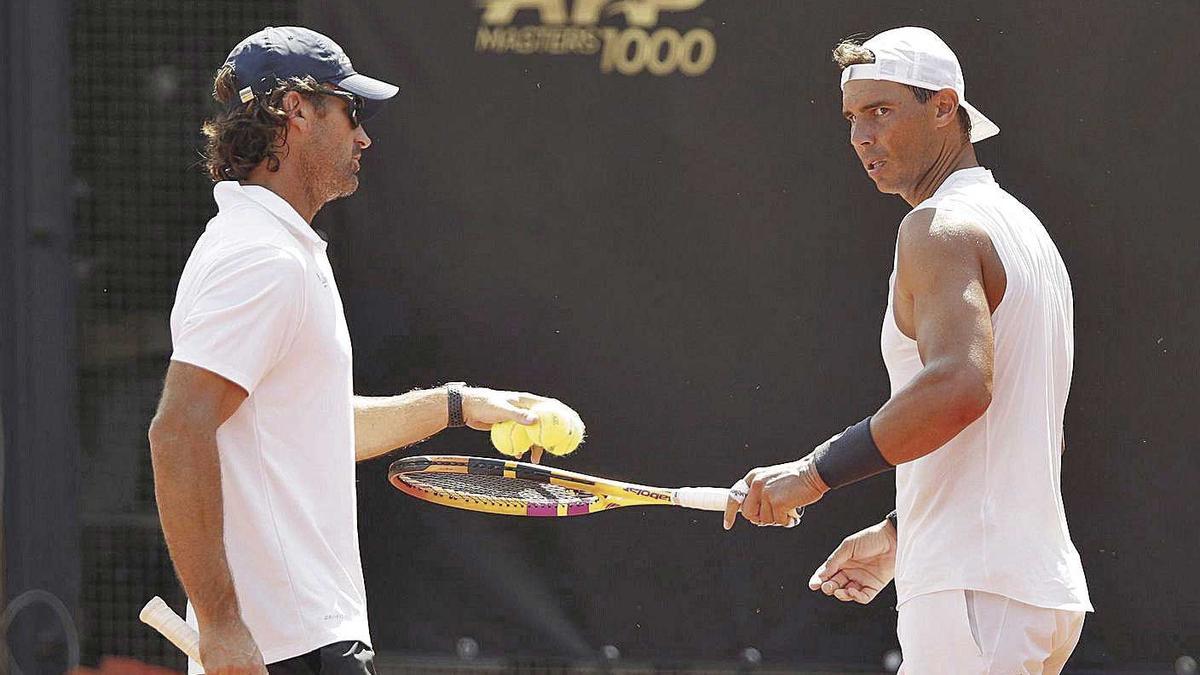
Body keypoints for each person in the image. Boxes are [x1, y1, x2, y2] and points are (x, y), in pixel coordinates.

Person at [148, 26, 555, 675]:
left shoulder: (273, 248)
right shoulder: (261, 257)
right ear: (296, 111)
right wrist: (223, 624)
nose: (363, 136)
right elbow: (177, 430)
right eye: (351, 111)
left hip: (302, 640)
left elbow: (314, 429)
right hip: (286, 649)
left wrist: (459, 405)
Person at [722, 27, 1091, 672]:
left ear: (945, 107)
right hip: (1024, 589)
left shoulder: (937, 227)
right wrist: (902, 533)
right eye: (852, 118)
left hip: (973, 593)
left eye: (881, 111)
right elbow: (1007, 432)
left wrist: (811, 476)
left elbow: (959, 387)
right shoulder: (1022, 228)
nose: (861, 136)